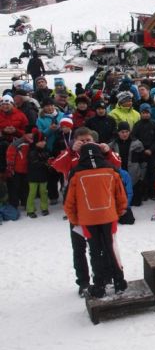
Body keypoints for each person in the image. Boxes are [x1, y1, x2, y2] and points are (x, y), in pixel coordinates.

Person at [50, 127, 122, 297]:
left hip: (100, 209)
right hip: (77, 210)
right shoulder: (70, 155)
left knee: (103, 246)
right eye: (81, 140)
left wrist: (107, 151)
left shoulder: (100, 154)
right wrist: (70, 151)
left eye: (88, 140)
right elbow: (56, 165)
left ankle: (105, 278)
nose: (84, 143)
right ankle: (83, 282)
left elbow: (117, 165)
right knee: (79, 247)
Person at [63, 142, 128, 298]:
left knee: (94, 251)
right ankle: (119, 281)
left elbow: (69, 202)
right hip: (109, 216)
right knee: (111, 248)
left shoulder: (77, 173)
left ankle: (99, 286)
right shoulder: (111, 170)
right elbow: (121, 195)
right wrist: (118, 212)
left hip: (87, 219)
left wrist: (75, 219)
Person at [131, 103, 155, 203]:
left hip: (152, 153)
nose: (145, 114)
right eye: (143, 113)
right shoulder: (137, 125)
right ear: (140, 113)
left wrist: (151, 149)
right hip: (141, 152)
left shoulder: (154, 124)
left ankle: (152, 192)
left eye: (147, 112)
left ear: (150, 113)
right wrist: (142, 149)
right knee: (142, 174)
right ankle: (144, 192)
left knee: (153, 172)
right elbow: (133, 137)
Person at [25, 129, 50, 218]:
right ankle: (30, 209)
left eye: (44, 141)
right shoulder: (32, 151)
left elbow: (47, 158)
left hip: (43, 175)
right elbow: (34, 163)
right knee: (32, 193)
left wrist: (49, 162)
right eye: (41, 141)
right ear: (36, 142)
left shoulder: (45, 150)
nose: (44, 143)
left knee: (44, 192)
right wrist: (46, 163)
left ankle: (44, 208)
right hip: (33, 176)